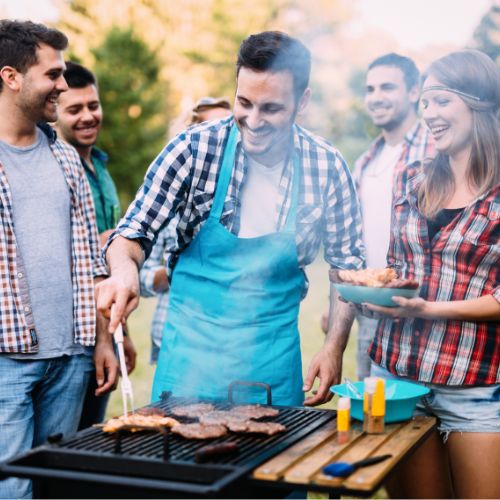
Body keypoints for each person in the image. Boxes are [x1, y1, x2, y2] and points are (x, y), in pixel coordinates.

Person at [97, 31, 365, 407]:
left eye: (271, 108)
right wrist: (124, 271)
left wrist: (334, 347)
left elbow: (346, 268)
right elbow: (132, 234)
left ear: (302, 101)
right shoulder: (192, 148)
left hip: (271, 367)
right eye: (244, 103)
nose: (253, 121)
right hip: (188, 363)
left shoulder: (327, 166)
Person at [363, 50, 500, 498]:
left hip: (472, 385)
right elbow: (395, 267)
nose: (429, 114)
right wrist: (374, 291)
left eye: (440, 100)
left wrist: (429, 309)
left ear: (477, 102)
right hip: (397, 380)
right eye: (425, 103)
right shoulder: (412, 179)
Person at [0, 20, 117, 499]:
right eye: (52, 75)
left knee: (60, 488)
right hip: (6, 361)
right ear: (11, 77)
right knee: (13, 491)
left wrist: (103, 340)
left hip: (71, 360)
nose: (63, 85)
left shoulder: (66, 157)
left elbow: (93, 259)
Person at [325, 54, 434, 380]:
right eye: (370, 89)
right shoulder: (365, 162)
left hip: (417, 310)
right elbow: (351, 245)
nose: (375, 97)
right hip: (367, 309)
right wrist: (337, 309)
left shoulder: (435, 151)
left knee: (422, 418)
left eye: (387, 87)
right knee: (375, 414)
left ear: (414, 92)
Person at [55, 61, 136, 429]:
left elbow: (113, 266)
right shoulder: (55, 168)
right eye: (74, 109)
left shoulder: (101, 168)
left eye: (93, 105)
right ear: (54, 111)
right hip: (70, 338)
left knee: (90, 435)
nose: (88, 116)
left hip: (106, 330)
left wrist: (123, 336)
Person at [139, 97, 232, 364]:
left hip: (228, 343)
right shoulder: (166, 204)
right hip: (172, 339)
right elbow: (142, 278)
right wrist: (180, 270)